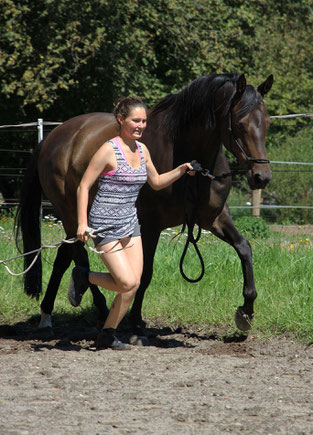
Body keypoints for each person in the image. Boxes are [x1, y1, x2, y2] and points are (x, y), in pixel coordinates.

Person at [68, 96, 194, 350]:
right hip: (104, 224)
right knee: (126, 282)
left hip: (130, 223)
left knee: (132, 285)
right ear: (121, 120)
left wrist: (182, 169)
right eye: (136, 120)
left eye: (144, 121)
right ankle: (85, 276)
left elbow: (156, 182)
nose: (141, 125)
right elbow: (84, 186)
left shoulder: (143, 150)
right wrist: (82, 222)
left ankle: (106, 334)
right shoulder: (108, 150)